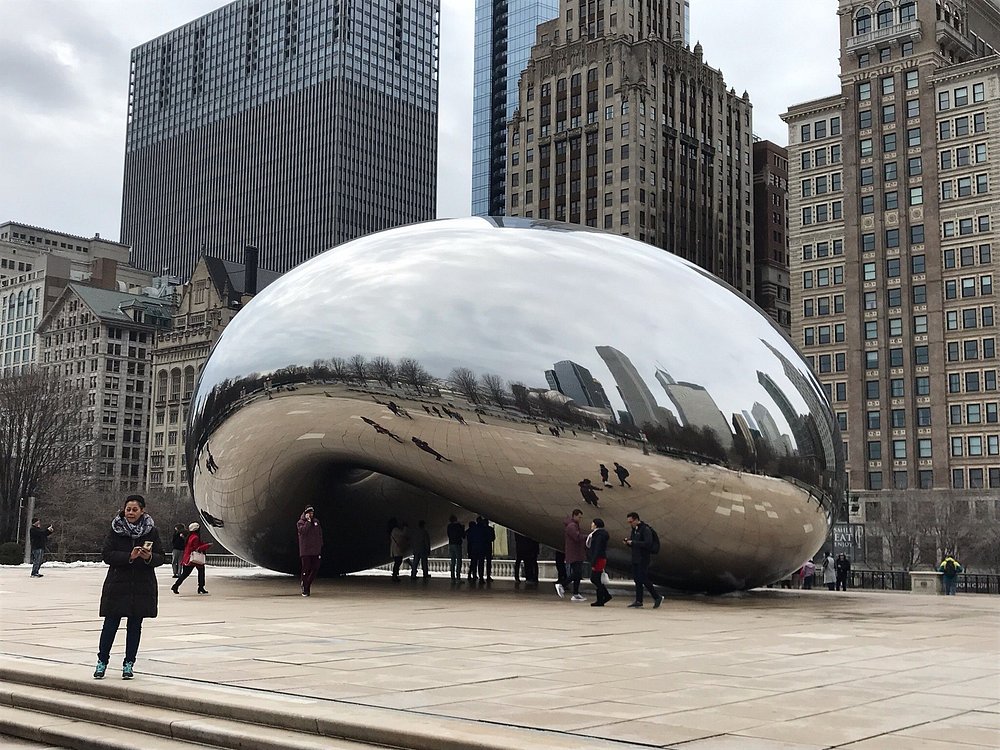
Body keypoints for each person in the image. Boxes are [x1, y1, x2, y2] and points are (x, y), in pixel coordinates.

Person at [94, 494, 164, 679]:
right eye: (128, 509)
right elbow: (107, 554)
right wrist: (129, 557)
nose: (131, 513)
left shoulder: (151, 531)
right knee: (110, 624)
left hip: (141, 586)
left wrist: (148, 557)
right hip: (117, 584)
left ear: (142, 511)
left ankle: (129, 663)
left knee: (135, 626)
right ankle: (102, 661)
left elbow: (160, 557)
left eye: (135, 510)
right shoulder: (115, 529)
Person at [625, 511, 661, 608]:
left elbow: (647, 543)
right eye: (629, 522)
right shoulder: (634, 529)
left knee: (643, 578)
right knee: (637, 579)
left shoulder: (645, 529)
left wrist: (634, 543)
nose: (630, 524)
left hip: (643, 557)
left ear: (636, 520)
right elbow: (635, 542)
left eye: (631, 521)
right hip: (636, 557)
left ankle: (657, 596)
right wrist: (629, 543)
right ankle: (638, 600)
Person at [171, 522, 210, 595]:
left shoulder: (190, 536)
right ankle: (200, 587)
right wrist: (207, 546)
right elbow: (196, 548)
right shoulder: (195, 537)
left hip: (188, 558)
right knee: (200, 572)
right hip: (193, 558)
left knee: (185, 573)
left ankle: (176, 586)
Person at [559, 509, 588, 601]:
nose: (580, 519)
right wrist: (588, 537)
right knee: (576, 572)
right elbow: (577, 537)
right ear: (574, 516)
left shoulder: (574, 525)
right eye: (579, 517)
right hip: (574, 553)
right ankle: (562, 584)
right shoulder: (572, 526)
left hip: (577, 553)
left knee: (578, 573)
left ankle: (576, 593)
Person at [296, 506, 323, 596]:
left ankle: (307, 583)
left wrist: (320, 546)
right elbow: (302, 532)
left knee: (315, 568)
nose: (311, 514)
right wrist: (308, 522)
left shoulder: (316, 522)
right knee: (306, 569)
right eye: (309, 513)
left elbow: (319, 534)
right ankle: (305, 588)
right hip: (306, 550)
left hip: (315, 550)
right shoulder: (300, 523)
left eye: (312, 513)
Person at [587, 518, 612, 606]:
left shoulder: (598, 535)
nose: (591, 525)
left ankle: (602, 598)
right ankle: (604, 597)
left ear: (596, 525)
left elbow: (597, 549)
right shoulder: (599, 534)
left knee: (595, 579)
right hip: (600, 558)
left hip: (598, 559)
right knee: (596, 579)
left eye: (592, 523)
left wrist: (593, 561)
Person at [446, 515, 465, 581]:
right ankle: (458, 577)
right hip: (457, 544)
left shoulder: (449, 526)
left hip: (451, 544)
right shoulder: (458, 526)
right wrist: (462, 528)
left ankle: (452, 577)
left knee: (453, 561)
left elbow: (448, 535)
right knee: (459, 560)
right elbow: (463, 535)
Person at [481, 517, 496, 581]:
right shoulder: (491, 529)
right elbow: (493, 538)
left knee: (481, 562)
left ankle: (481, 576)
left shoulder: (481, 529)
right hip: (488, 546)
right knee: (488, 562)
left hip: (481, 546)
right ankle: (488, 576)